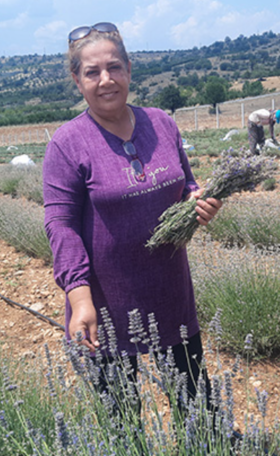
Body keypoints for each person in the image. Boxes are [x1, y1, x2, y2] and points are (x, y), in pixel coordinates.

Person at [42, 22, 223, 415]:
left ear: (129, 69)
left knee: (197, 407)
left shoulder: (162, 123)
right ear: (77, 80)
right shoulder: (67, 143)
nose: (106, 80)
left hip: (170, 292)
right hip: (105, 303)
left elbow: (187, 184)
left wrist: (197, 203)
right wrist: (80, 298)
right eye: (92, 72)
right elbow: (61, 225)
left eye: (114, 67)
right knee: (122, 418)